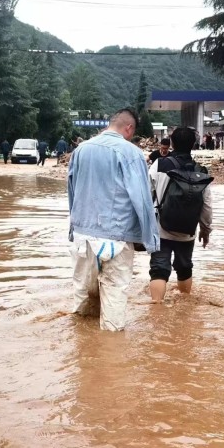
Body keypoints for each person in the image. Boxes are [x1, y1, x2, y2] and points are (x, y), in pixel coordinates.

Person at [68, 108, 159, 331]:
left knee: (83, 296)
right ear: (129, 128)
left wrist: (73, 227)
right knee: (114, 298)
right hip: (116, 238)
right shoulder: (131, 153)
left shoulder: (81, 150)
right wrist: (151, 240)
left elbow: (72, 190)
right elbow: (142, 199)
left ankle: (81, 347)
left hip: (82, 236)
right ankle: (110, 355)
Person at [148, 127, 213, 304]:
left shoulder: (159, 165)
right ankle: (185, 308)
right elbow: (206, 205)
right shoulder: (201, 171)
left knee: (159, 269)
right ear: (193, 144)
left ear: (172, 143)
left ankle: (156, 309)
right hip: (187, 230)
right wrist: (205, 230)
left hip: (161, 228)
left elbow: (146, 195)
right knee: (185, 268)